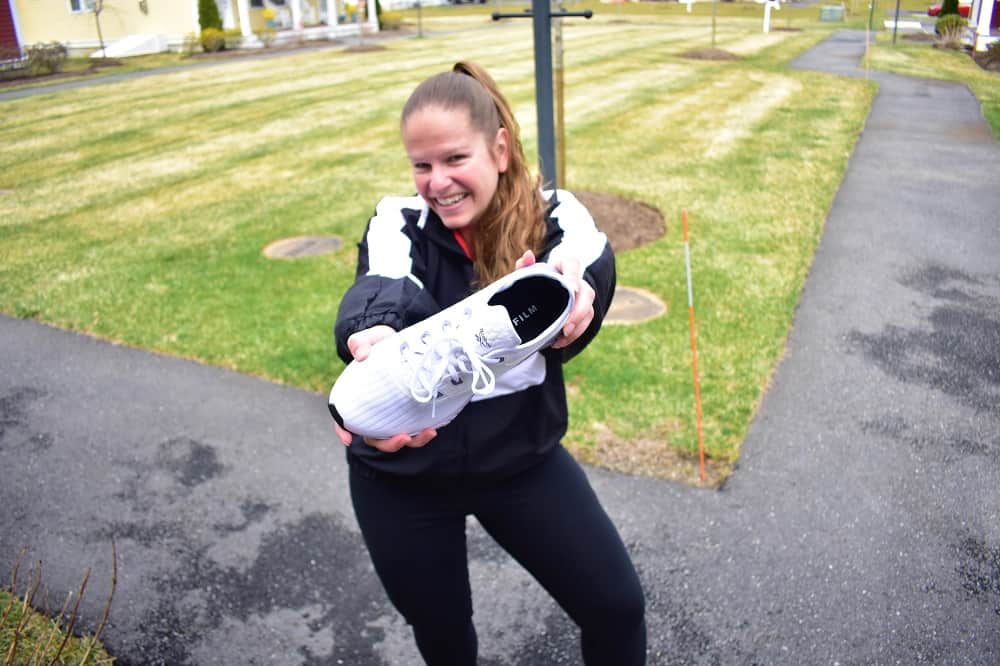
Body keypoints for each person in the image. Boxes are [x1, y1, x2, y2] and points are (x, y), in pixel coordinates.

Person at [332, 61, 646, 665]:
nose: (436, 181)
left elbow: (583, 260)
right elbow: (383, 285)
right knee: (445, 636)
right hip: (402, 477)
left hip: (518, 461)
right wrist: (371, 336)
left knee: (616, 606)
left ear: (499, 149)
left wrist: (576, 298)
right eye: (421, 165)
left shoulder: (555, 213)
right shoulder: (397, 221)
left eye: (454, 159)